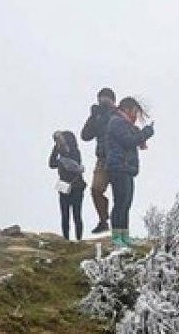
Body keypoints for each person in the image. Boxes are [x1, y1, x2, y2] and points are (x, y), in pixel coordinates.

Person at [104, 97, 154, 248]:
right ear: (126, 109)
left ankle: (124, 235)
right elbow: (128, 141)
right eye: (134, 112)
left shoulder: (122, 123)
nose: (135, 116)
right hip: (119, 167)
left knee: (126, 203)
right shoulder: (117, 122)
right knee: (120, 203)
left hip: (126, 168)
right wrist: (145, 133)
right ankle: (117, 236)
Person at [80, 87, 118, 234]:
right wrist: (93, 117)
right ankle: (103, 220)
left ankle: (119, 234)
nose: (103, 101)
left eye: (106, 98)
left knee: (119, 196)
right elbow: (85, 135)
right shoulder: (97, 117)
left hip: (117, 159)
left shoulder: (117, 114)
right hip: (102, 160)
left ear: (113, 100)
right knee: (96, 189)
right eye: (101, 98)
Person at [49, 131, 86, 241]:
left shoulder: (74, 153)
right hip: (64, 186)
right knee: (66, 216)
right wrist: (56, 148)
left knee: (76, 215)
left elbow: (71, 163)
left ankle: (78, 239)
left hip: (75, 186)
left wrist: (61, 147)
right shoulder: (61, 155)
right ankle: (67, 239)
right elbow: (51, 164)